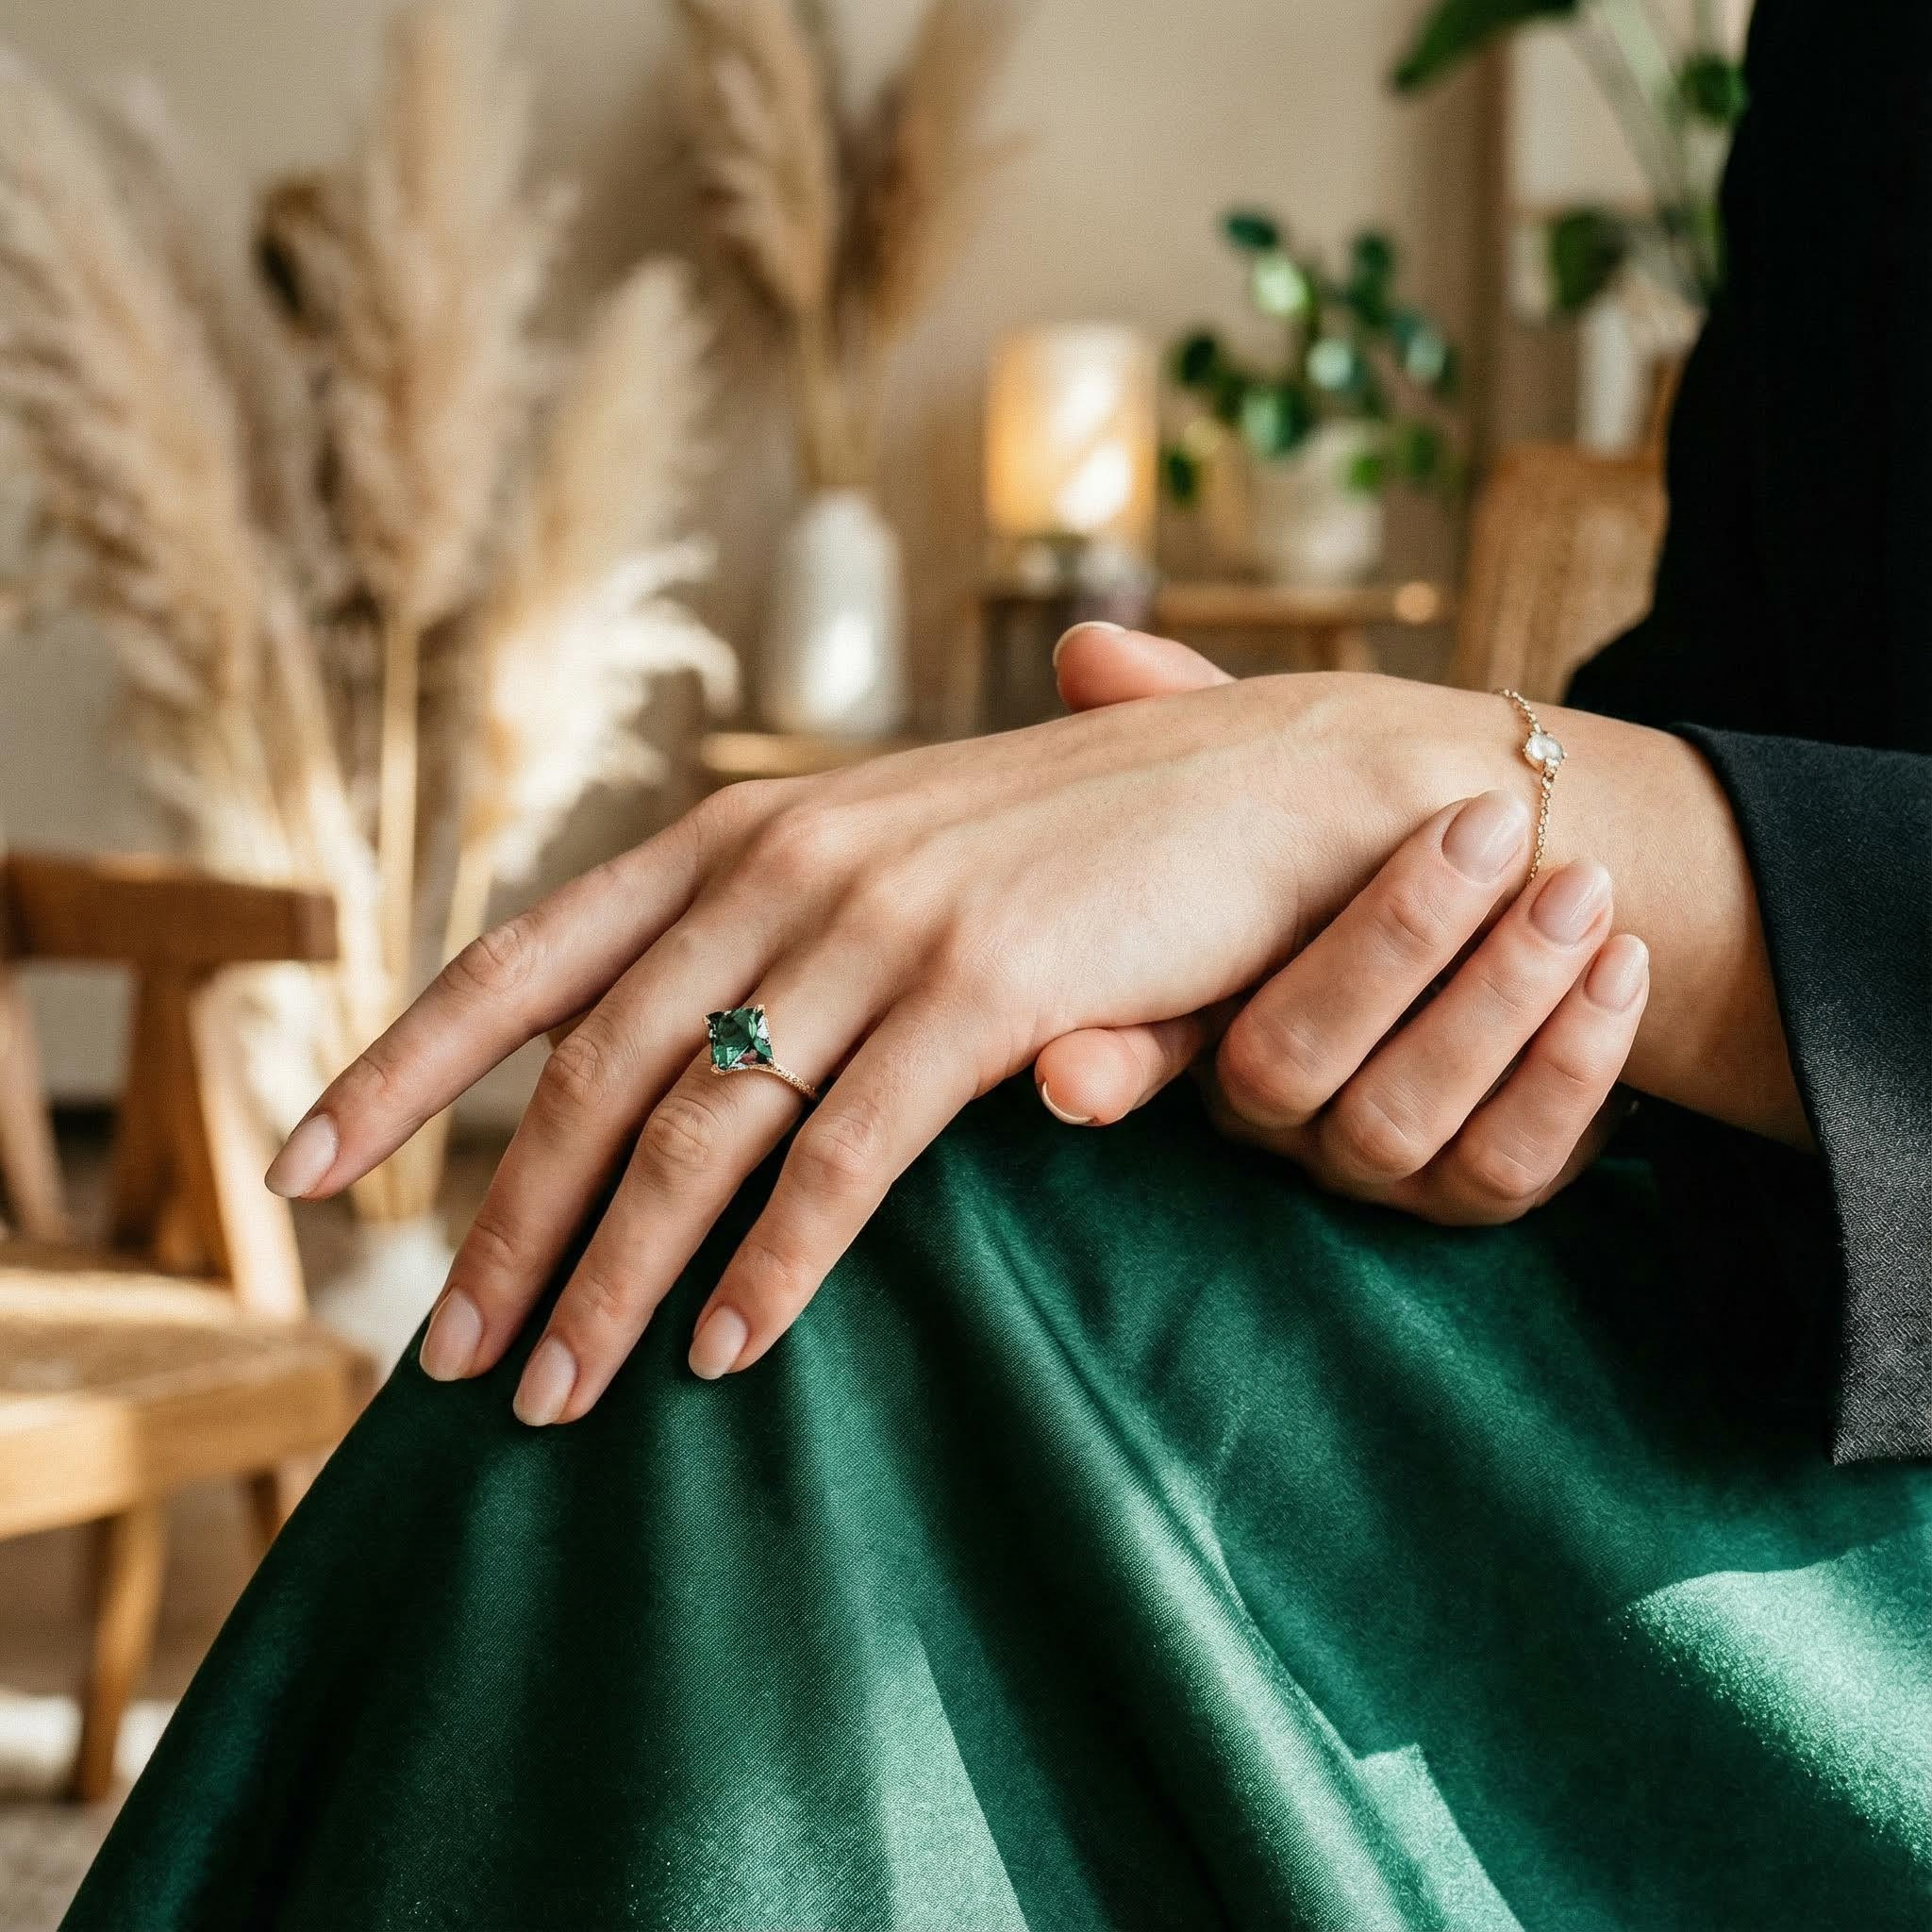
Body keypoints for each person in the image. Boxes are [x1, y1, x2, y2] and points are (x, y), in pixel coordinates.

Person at [62, 1, 1932, 1926]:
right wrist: (1394, 926)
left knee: (834, 1278)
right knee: (838, 1186)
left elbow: (1664, 811)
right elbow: (1750, 679)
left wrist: (1458, 791)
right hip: (1772, 1247)